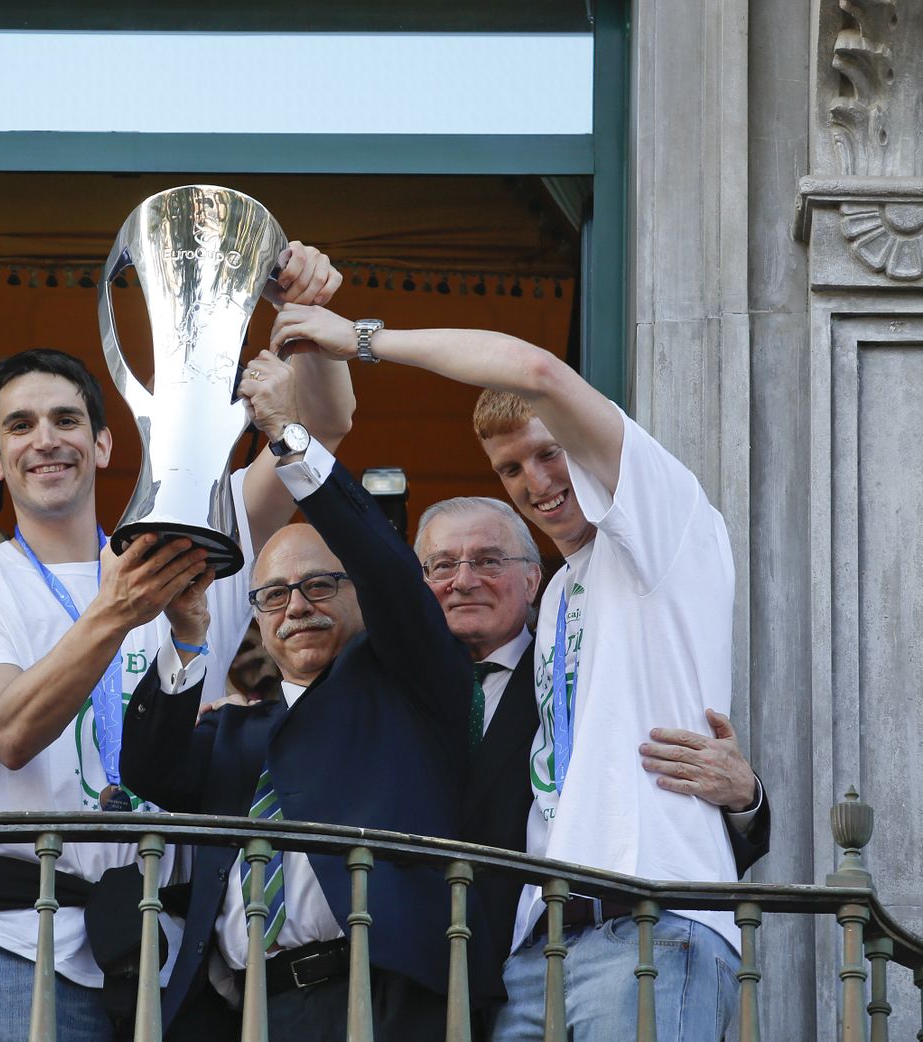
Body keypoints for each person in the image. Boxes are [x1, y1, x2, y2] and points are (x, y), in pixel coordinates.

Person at [269, 304, 753, 1040]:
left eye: (549, 452)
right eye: (510, 469)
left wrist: (363, 340)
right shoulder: (557, 596)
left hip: (647, 927)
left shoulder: (668, 527)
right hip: (535, 951)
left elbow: (535, 371)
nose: (537, 480)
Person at [0, 246, 355, 1041]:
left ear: (107, 444)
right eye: (20, 426)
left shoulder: (185, 551)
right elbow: (8, 731)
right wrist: (117, 611)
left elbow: (317, 430)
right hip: (26, 944)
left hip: (174, 950)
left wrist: (308, 321)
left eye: (67, 420)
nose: (46, 440)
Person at [119, 349, 471, 1042]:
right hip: (250, 1011)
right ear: (256, 619)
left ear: (359, 594)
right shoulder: (234, 733)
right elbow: (148, 768)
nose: (297, 607)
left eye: (320, 585)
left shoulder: (410, 686)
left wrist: (287, 435)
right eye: (274, 596)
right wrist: (186, 637)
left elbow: (385, 568)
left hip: (381, 999)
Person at [413, 495, 771, 1036]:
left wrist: (745, 797)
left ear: (533, 581)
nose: (463, 580)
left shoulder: (583, 665)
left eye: (488, 560)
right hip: (454, 980)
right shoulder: (395, 693)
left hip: (590, 956)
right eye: (442, 565)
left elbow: (662, 798)